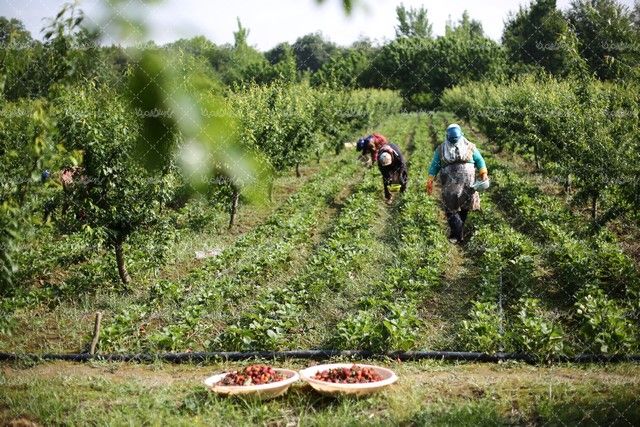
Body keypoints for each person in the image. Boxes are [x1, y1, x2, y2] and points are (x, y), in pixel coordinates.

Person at [425, 123, 488, 243]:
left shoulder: (442, 149)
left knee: (451, 207)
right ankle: (458, 234)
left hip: (452, 181)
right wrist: (483, 173)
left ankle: (456, 235)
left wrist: (430, 179)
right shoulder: (469, 146)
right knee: (463, 206)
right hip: (466, 181)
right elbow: (479, 160)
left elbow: (435, 165)